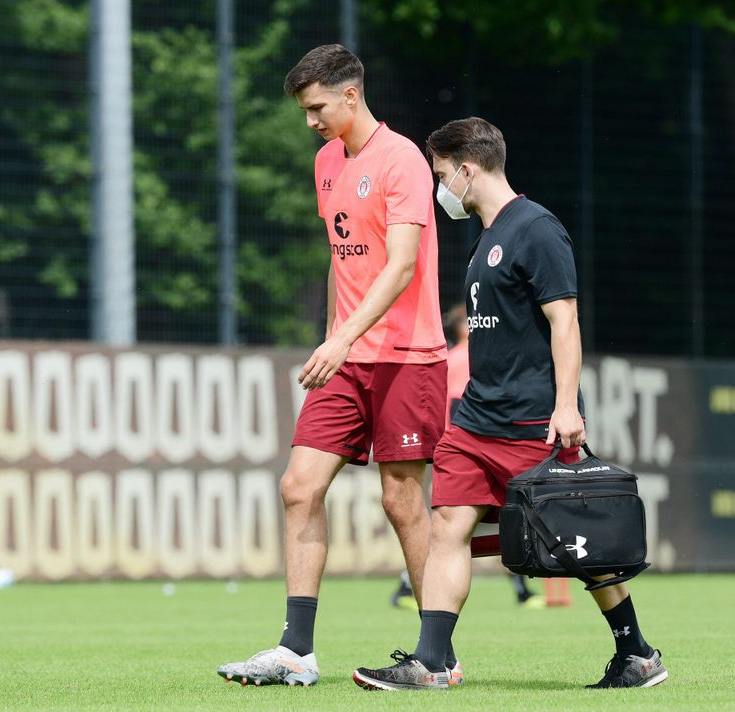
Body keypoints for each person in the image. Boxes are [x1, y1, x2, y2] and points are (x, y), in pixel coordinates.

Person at [353, 117, 668, 691]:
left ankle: (636, 653)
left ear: (468, 170)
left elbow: (564, 321)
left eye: (442, 175)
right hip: (475, 421)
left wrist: (566, 405)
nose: (440, 187)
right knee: (448, 525)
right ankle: (431, 662)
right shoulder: (485, 237)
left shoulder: (536, 229)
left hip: (531, 423)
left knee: (576, 542)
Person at [216, 44, 449, 687]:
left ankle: (439, 655)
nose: (311, 120)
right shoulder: (325, 162)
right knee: (298, 486)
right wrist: (332, 339)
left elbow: (401, 266)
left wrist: (342, 337)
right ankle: (296, 649)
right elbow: (339, 259)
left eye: (317, 107)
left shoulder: (401, 158)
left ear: (351, 95)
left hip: (406, 357)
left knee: (401, 500)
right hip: (346, 358)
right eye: (304, 110)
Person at [390, 303, 545, 611]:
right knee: (475, 527)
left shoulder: (450, 358)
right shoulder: (471, 357)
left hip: (458, 450)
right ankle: (410, 585)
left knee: (455, 530)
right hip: (472, 448)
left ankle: (410, 587)